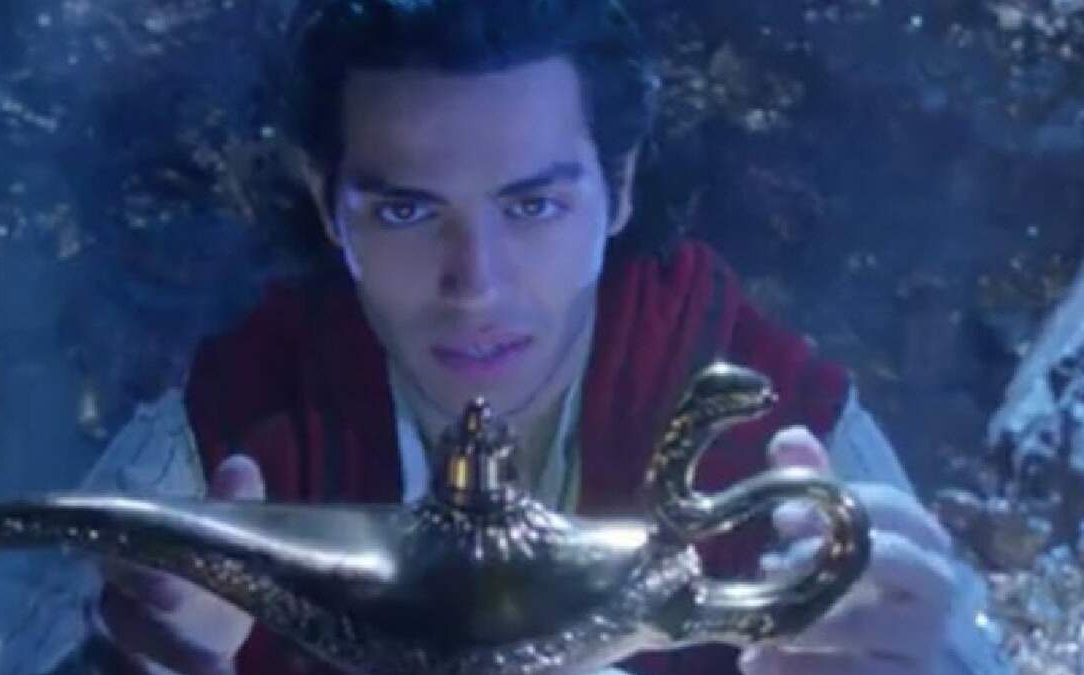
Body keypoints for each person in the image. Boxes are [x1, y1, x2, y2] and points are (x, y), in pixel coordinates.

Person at [80, 1, 1011, 674]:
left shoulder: (786, 423)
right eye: (407, 211)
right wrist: (152, 661)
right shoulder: (218, 433)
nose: (475, 285)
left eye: (532, 206)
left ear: (621, 187)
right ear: (328, 206)